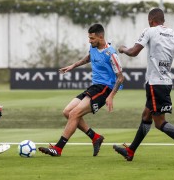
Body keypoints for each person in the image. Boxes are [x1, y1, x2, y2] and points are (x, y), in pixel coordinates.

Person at [113, 8, 174, 163]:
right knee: (146, 116)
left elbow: (134, 52)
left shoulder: (150, 31)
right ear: (163, 20)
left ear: (150, 20)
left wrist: (123, 49)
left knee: (160, 123)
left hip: (155, 84)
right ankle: (131, 151)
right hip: (165, 82)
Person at [38, 23, 124, 157]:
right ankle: (95, 137)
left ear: (101, 37)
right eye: (89, 38)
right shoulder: (93, 47)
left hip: (105, 89)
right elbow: (89, 57)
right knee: (67, 112)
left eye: (92, 38)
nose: (89, 41)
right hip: (95, 87)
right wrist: (73, 65)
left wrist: (111, 96)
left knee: (74, 114)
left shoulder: (111, 54)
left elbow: (120, 78)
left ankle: (58, 148)